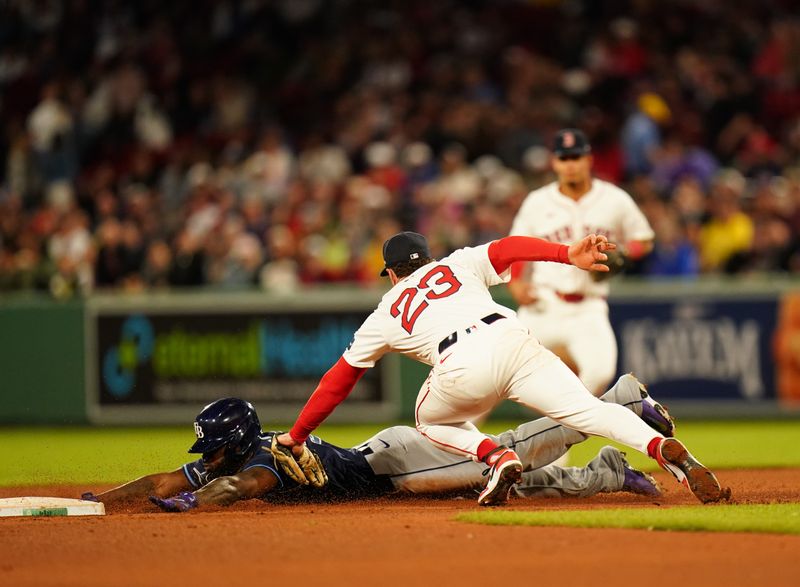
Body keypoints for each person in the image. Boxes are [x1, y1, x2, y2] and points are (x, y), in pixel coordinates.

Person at [273, 229, 728, 506]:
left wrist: (296, 434)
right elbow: (510, 247)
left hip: (461, 366)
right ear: (427, 259)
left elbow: (339, 378)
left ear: (392, 273)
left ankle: (496, 457)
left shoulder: (386, 309)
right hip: (513, 339)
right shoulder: (457, 263)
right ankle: (661, 447)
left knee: (428, 418)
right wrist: (567, 253)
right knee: (587, 410)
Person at [82, 373, 676, 512]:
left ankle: (619, 400)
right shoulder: (237, 454)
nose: (204, 461)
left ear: (231, 443)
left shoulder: (259, 459)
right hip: (388, 472)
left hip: (398, 464)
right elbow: (162, 481)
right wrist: (100, 503)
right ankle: (608, 471)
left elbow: (242, 486)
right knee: (501, 482)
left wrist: (194, 502)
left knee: (508, 450)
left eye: (210, 450)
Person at [508, 128, 655, 396]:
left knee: (599, 374)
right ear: (554, 162)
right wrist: (516, 282)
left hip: (588, 307)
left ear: (589, 160)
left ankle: (558, 429)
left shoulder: (614, 198)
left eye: (576, 157)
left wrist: (624, 252)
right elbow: (517, 246)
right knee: (500, 374)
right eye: (564, 158)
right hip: (544, 302)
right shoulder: (537, 201)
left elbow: (643, 239)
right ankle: (456, 435)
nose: (571, 165)